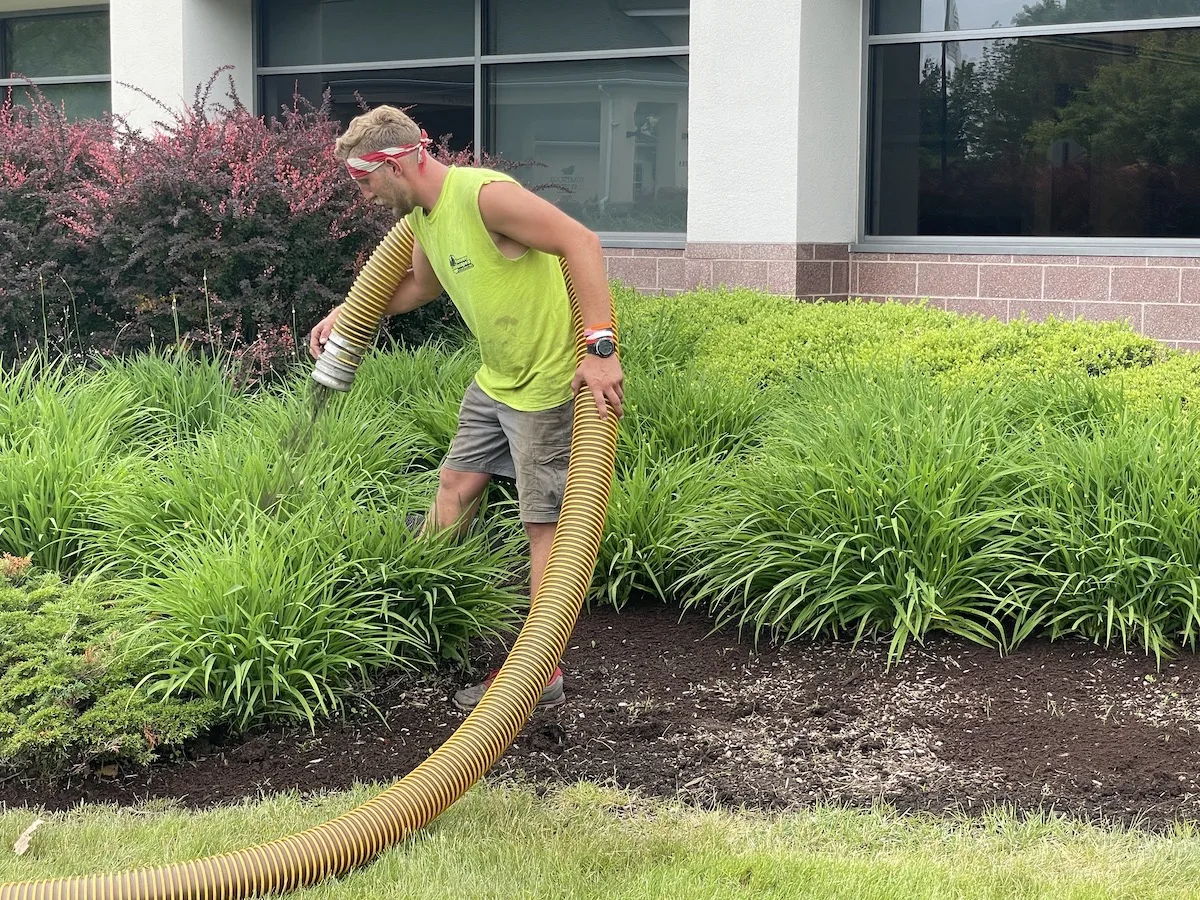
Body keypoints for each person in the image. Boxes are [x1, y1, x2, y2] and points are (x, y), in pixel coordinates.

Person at [308, 105, 624, 712]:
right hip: (497, 379)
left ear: (396, 163)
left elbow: (580, 241)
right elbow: (420, 287)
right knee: (455, 484)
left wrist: (601, 349)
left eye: (363, 181)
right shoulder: (425, 217)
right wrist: (348, 314)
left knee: (546, 528)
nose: (363, 196)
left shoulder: (485, 197)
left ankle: (541, 675)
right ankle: (414, 614)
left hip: (548, 384)